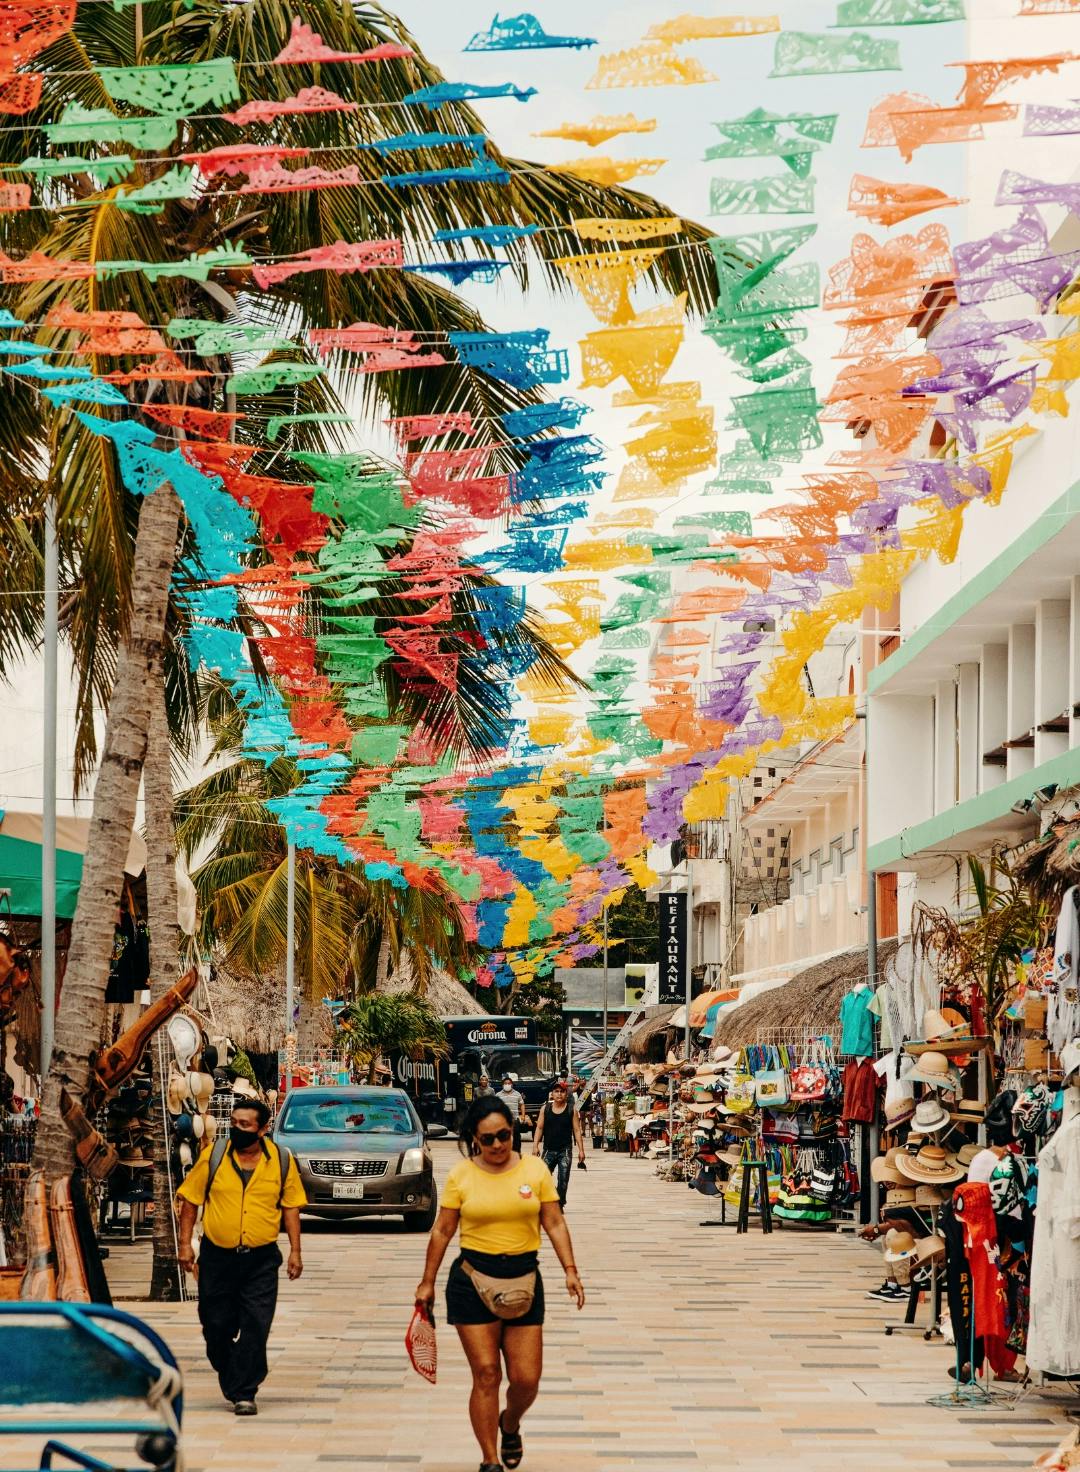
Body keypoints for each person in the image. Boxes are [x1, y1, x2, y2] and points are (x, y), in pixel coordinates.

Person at [415, 1097, 585, 1472]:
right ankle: (489, 1459)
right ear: (475, 1139)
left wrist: (570, 1269)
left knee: (526, 1379)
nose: (496, 1146)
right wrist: (426, 1282)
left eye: (503, 1136)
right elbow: (443, 1230)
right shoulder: (462, 1175)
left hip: (525, 1279)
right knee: (487, 1372)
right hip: (472, 1281)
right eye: (487, 1139)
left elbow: (554, 1222)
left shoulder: (536, 1171)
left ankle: (510, 1423)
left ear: (513, 1130)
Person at [177, 1098, 307, 1415]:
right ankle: (234, 1371)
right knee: (215, 1325)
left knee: (256, 1325)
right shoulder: (214, 1156)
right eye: (233, 1123)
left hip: (261, 1260)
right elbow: (191, 1201)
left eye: (245, 1125)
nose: (237, 1129)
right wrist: (184, 1245)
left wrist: (295, 1251)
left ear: (263, 1129)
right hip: (217, 1258)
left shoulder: (281, 1161)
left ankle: (244, 1391)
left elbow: (291, 1207)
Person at [533, 1081, 585, 1207]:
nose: (559, 1094)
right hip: (548, 1150)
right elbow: (539, 1128)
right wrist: (535, 1146)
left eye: (562, 1091)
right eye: (556, 1091)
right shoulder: (545, 1109)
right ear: (552, 1094)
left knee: (563, 1180)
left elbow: (577, 1130)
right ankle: (547, 1199)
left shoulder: (571, 1110)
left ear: (566, 1094)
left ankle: (559, 1204)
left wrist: (581, 1150)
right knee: (541, 1178)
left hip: (565, 1151)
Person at [499, 1074, 527, 1150]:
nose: (507, 1085)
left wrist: (523, 1116)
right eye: (505, 1083)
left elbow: (522, 1105)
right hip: (502, 1121)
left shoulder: (517, 1094)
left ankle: (517, 1154)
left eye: (509, 1083)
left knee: (516, 1138)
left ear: (512, 1085)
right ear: (502, 1085)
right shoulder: (498, 1095)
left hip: (515, 1120)